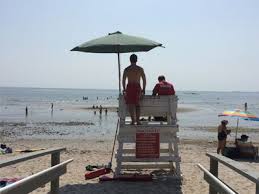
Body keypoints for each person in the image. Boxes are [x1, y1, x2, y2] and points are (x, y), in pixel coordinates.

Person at [122, 54, 146, 125]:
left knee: (130, 105)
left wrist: (124, 89)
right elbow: (144, 80)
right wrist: (143, 89)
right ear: (137, 60)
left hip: (129, 87)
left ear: (130, 60)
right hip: (137, 86)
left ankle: (133, 120)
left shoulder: (127, 69)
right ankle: (138, 121)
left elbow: (123, 80)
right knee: (137, 105)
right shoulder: (140, 69)